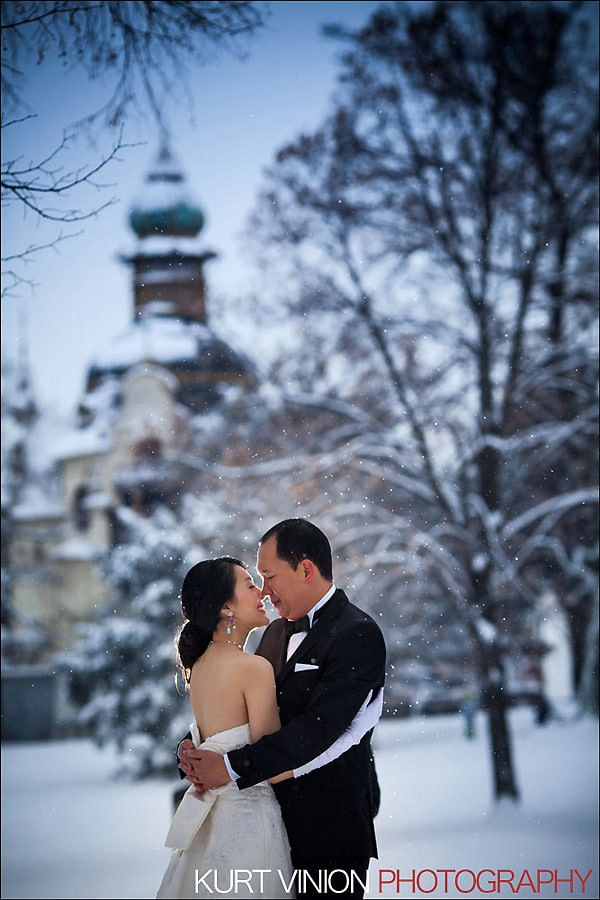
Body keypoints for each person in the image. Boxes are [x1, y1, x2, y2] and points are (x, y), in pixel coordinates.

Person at [178, 519, 387, 899]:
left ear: (306, 569)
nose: (264, 590)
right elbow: (245, 711)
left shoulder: (357, 632)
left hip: (329, 828)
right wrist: (197, 748)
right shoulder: (273, 633)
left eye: (269, 576)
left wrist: (228, 765)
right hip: (269, 823)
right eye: (256, 579)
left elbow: (319, 729)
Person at [156, 556, 295, 899]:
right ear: (224, 607)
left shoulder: (199, 666)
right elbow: (275, 766)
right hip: (250, 825)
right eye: (249, 585)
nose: (262, 591)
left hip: (211, 827)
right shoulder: (254, 669)